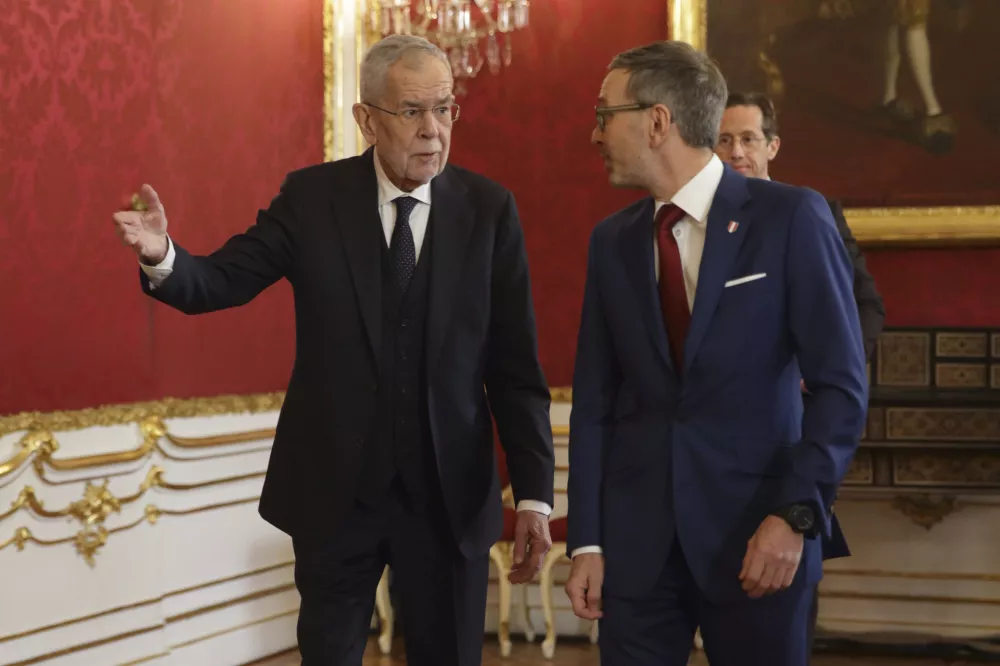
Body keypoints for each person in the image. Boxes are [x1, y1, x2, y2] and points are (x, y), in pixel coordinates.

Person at [112, 35, 555, 666]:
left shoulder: (488, 210)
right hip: (334, 497)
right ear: (366, 120)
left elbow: (515, 370)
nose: (432, 130)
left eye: (444, 109)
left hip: (448, 499)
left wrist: (534, 494)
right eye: (412, 111)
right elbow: (222, 280)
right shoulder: (313, 199)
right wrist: (162, 255)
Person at [564, 40, 869, 666]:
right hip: (637, 555)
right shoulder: (611, 242)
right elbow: (594, 402)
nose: (595, 133)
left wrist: (795, 514)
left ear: (657, 121)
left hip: (759, 541)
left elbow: (840, 387)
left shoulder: (790, 217)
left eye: (604, 115)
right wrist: (587, 541)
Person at [717, 90, 886, 655]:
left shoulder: (810, 212)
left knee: (787, 579)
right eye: (723, 139)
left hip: (800, 427)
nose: (735, 151)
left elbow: (866, 306)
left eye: (747, 139)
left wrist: (823, 368)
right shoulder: (698, 219)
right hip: (720, 439)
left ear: (772, 146)